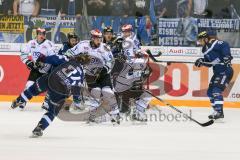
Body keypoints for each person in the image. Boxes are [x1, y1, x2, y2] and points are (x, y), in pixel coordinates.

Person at [11, 53, 91, 137]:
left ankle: (19, 100)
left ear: (77, 57)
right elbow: (76, 92)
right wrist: (78, 103)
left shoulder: (66, 59)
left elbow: (50, 58)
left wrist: (40, 62)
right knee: (52, 112)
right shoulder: (81, 75)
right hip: (60, 92)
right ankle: (39, 128)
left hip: (49, 80)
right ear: (85, 65)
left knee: (32, 90)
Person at [65, 29, 121, 124]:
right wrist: (75, 59)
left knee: (107, 92)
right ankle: (93, 115)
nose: (99, 40)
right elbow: (69, 53)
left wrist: (104, 70)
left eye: (100, 38)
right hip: (90, 74)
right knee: (95, 92)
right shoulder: (83, 45)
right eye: (97, 38)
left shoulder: (105, 48)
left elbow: (111, 61)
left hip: (103, 74)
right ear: (92, 38)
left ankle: (116, 114)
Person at [113, 24, 152, 121]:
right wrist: (118, 54)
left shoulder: (134, 40)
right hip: (122, 72)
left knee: (145, 94)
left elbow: (136, 51)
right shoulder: (119, 40)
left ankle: (137, 113)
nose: (125, 33)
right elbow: (112, 52)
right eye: (124, 31)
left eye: (127, 31)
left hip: (131, 71)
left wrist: (140, 53)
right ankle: (119, 112)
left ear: (130, 31)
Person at [11, 28, 56, 110]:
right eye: (40, 34)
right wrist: (29, 63)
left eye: (43, 34)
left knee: (50, 86)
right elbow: (23, 55)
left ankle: (46, 103)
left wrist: (44, 62)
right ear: (37, 34)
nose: (42, 36)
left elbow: (53, 58)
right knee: (29, 85)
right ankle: (23, 100)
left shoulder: (49, 44)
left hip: (47, 69)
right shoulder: (31, 43)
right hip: (36, 69)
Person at [194, 30, 233, 120]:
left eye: (200, 40)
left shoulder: (216, 43)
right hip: (218, 72)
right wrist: (202, 61)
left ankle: (219, 112)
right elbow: (210, 63)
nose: (199, 42)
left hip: (226, 70)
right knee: (210, 92)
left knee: (216, 89)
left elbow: (225, 45)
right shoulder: (204, 50)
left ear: (206, 39)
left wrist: (227, 56)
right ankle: (217, 111)